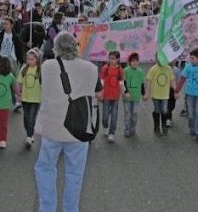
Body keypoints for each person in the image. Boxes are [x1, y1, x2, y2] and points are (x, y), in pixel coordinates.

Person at [34, 31, 101, 212]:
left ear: (56, 48)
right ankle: (71, 209)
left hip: (52, 127)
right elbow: (99, 93)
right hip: (80, 128)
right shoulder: (91, 68)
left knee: (45, 168)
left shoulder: (47, 66)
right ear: (76, 47)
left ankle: (47, 208)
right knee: (75, 173)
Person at [18, 48, 43, 149]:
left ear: (37, 59)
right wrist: (19, 94)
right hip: (25, 98)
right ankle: (30, 133)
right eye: (28, 59)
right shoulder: (24, 69)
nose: (30, 61)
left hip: (35, 99)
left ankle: (29, 137)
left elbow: (43, 84)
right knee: (26, 118)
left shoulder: (40, 70)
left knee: (32, 117)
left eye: (32, 59)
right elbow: (20, 82)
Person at [145, 54, 174, 136]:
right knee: (157, 110)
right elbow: (148, 81)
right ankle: (156, 127)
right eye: (159, 58)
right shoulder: (153, 69)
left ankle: (164, 126)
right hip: (156, 95)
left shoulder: (169, 69)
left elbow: (172, 81)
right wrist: (147, 93)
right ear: (156, 58)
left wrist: (176, 91)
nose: (161, 60)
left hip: (165, 95)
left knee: (164, 110)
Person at [100, 50, 124, 143]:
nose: (111, 60)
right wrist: (100, 93)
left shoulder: (120, 70)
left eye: (113, 59)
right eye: (110, 58)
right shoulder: (105, 69)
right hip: (106, 96)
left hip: (115, 97)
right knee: (105, 116)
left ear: (118, 59)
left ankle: (111, 133)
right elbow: (101, 82)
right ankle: (105, 126)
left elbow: (121, 83)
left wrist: (124, 92)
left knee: (114, 115)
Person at [122, 52, 145, 138]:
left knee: (134, 113)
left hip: (136, 97)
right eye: (133, 61)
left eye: (136, 61)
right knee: (127, 113)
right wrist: (126, 92)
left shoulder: (140, 72)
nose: (135, 63)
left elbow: (142, 84)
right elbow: (123, 82)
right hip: (127, 97)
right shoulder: (125, 70)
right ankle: (127, 130)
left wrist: (143, 94)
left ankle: (132, 128)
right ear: (129, 62)